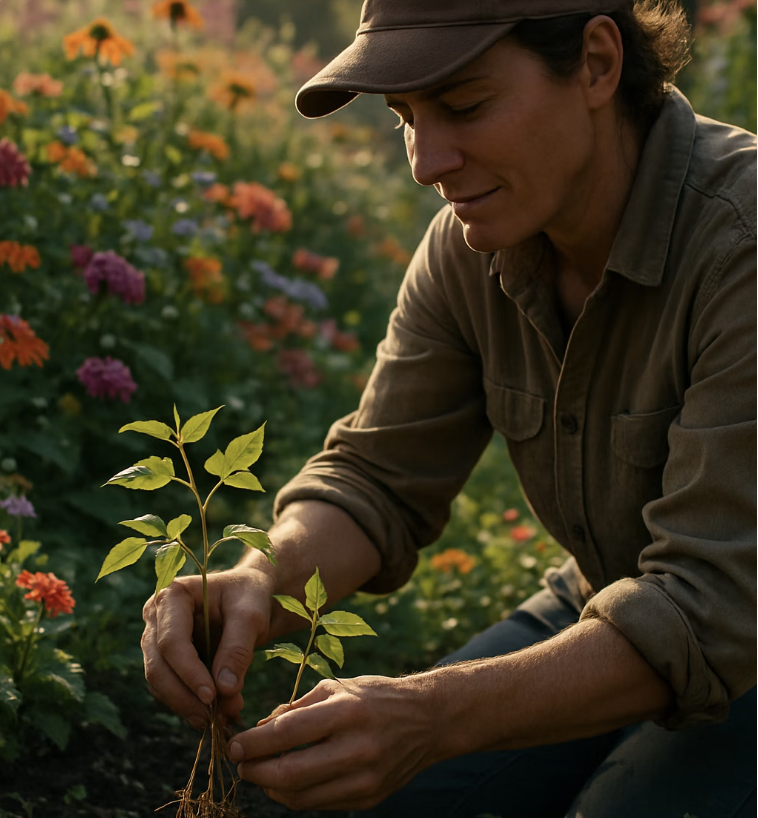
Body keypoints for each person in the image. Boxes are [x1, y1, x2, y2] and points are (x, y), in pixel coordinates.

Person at [141, 0, 757, 815]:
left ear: (598, 65)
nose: (426, 163)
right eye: (406, 117)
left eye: (464, 106)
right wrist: (259, 578)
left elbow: (711, 607)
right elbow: (377, 478)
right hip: (608, 604)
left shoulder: (739, 244)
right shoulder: (478, 243)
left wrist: (429, 715)